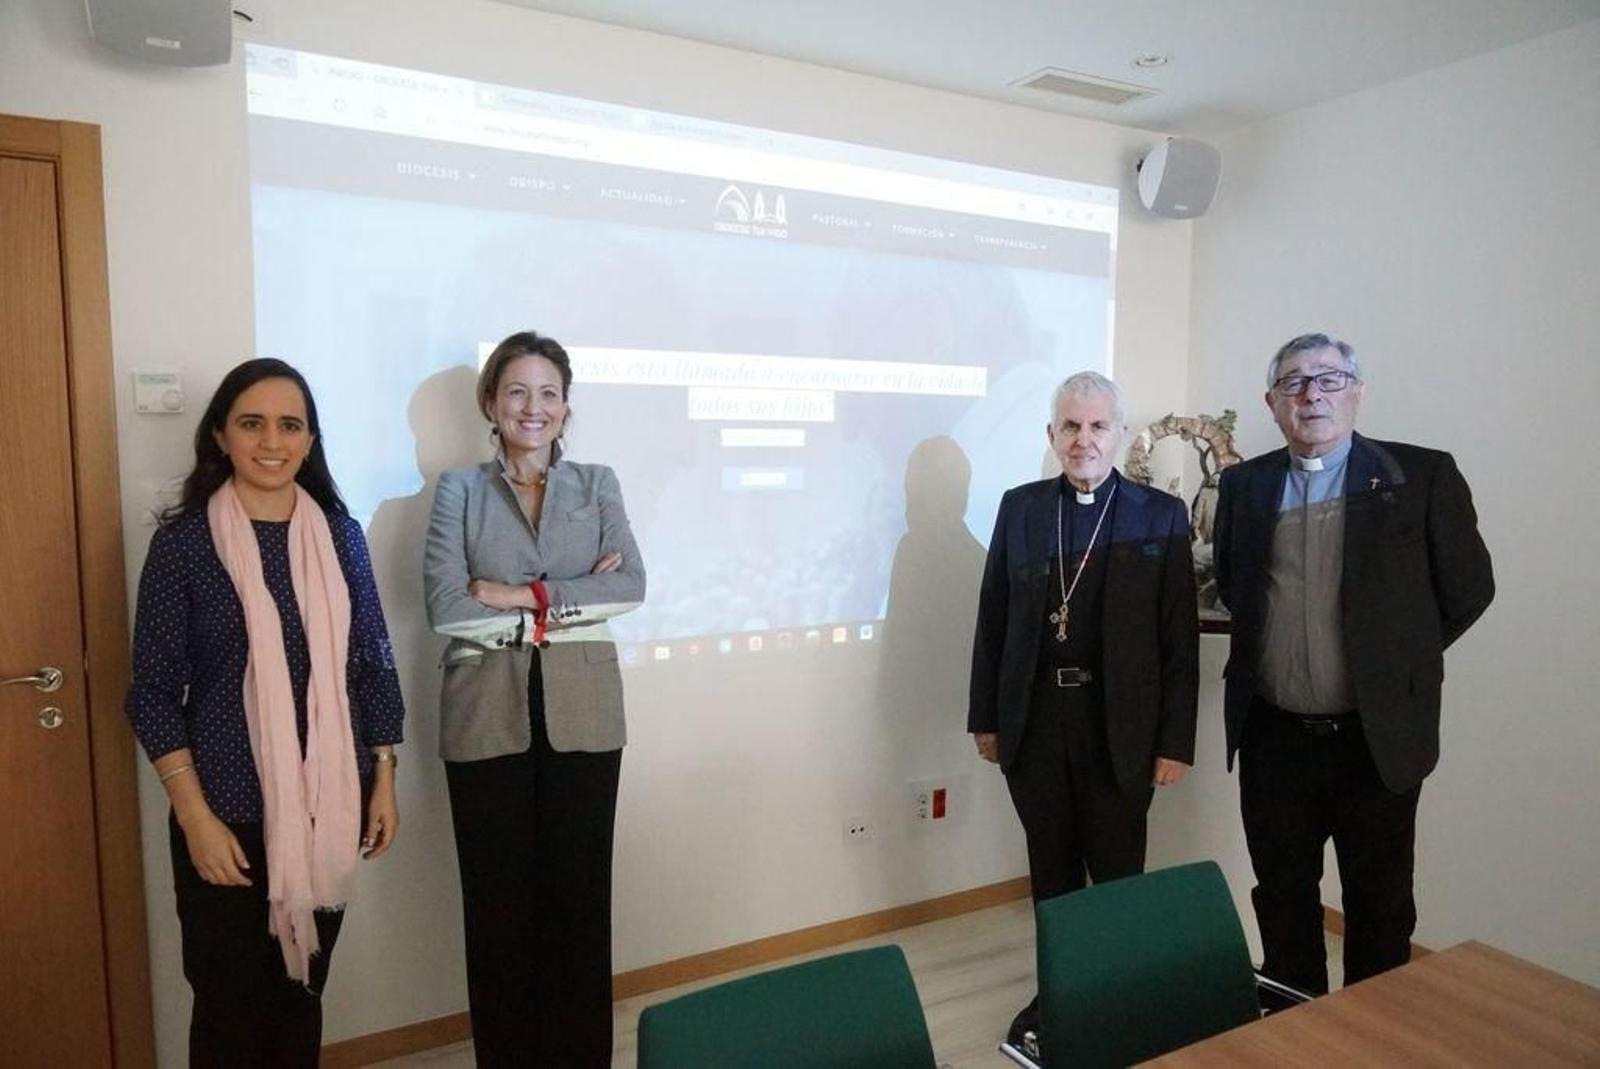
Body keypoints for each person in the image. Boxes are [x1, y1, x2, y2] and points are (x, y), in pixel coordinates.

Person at [125, 359, 404, 1066]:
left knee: (299, 993)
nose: (271, 440)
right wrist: (195, 818)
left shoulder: (341, 538)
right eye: (252, 422)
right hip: (222, 812)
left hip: (324, 806)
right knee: (228, 1008)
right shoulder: (184, 544)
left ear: (310, 441)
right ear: (221, 435)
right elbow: (152, 691)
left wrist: (384, 775)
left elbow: (369, 662)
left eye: (290, 424)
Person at [1213, 333, 1494, 997]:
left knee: (1380, 900)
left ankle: (1374, 1040)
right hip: (1274, 737)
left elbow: (1468, 590)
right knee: (1282, 895)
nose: (1312, 394)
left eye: (1329, 379)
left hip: (1376, 739)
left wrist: (1391, 664)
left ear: (1358, 393)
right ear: (1272, 403)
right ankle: (1294, 1027)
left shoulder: (1419, 476)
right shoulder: (1244, 484)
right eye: (1294, 383)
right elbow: (1234, 584)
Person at [424, 330, 645, 1066]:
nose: (533, 407)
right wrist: (570, 605)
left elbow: (631, 586)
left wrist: (520, 595)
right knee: (498, 917)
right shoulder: (458, 490)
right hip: (485, 723)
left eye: (548, 393)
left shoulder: (598, 484)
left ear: (566, 407)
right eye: (517, 390)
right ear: (491, 401)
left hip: (586, 721)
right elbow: (448, 608)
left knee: (581, 911)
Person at [968, 370, 1199, 1053]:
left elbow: (1177, 642)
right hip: (1037, 723)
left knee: (1119, 876)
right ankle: (1061, 998)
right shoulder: (1022, 509)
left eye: (1098, 425)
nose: (1084, 439)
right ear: (1051, 434)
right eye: (1071, 425)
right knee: (1054, 876)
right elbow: (993, 620)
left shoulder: (1160, 515)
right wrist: (986, 716)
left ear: (1120, 435)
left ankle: (1123, 997)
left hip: (1119, 728)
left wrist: (1175, 741)